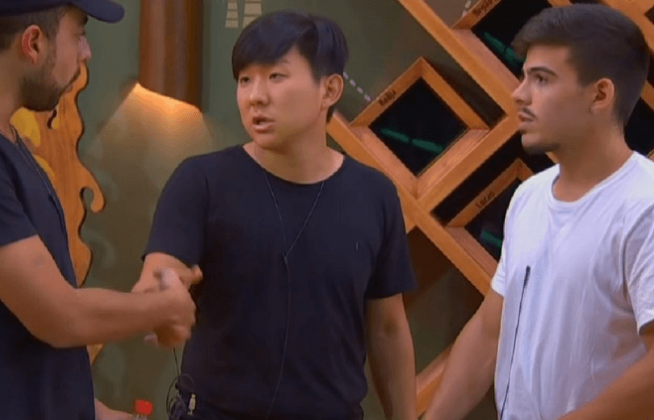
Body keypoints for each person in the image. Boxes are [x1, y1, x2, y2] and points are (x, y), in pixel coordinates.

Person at [0, 1, 198, 419]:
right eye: (79, 35)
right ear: (33, 43)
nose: (86, 53)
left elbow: (5, 336)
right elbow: (60, 317)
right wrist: (166, 307)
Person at [134, 9, 418, 420]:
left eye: (275, 76)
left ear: (329, 89)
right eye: (245, 80)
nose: (255, 96)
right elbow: (162, 270)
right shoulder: (201, 181)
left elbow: (388, 328)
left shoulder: (374, 195)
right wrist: (161, 295)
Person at [423, 4, 654, 420]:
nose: (520, 94)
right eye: (524, 76)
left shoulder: (644, 207)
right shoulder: (528, 196)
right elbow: (490, 330)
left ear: (600, 95)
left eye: (542, 79)